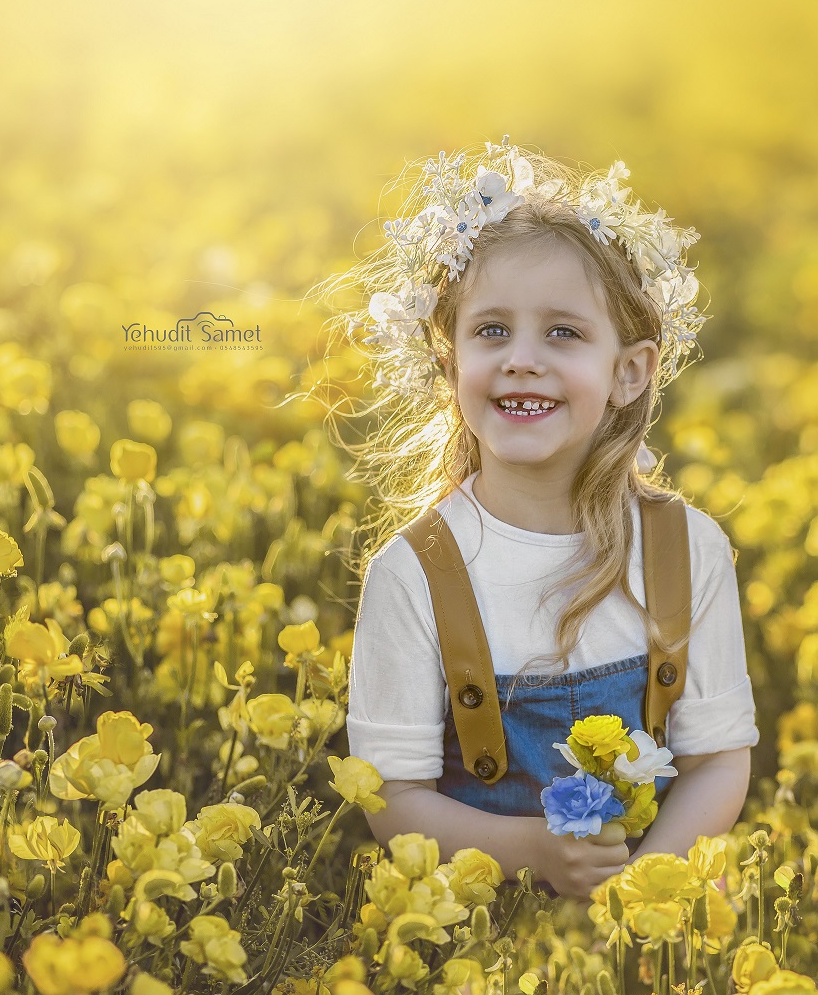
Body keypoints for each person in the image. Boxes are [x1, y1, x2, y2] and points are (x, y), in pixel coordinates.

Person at [319, 139, 760, 904]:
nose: (521, 359)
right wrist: (532, 852)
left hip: (648, 920)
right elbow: (393, 797)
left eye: (563, 332)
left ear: (630, 371)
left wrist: (638, 893)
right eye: (491, 331)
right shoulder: (416, 570)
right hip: (479, 917)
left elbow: (717, 761)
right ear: (450, 366)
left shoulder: (685, 548)